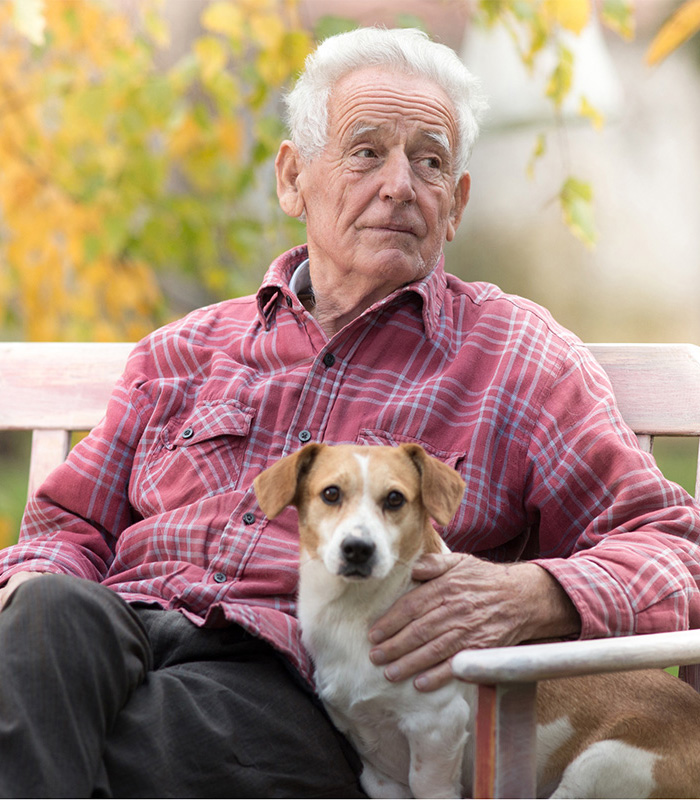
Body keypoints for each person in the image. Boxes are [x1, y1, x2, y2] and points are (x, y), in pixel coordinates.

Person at [1, 25, 699, 798]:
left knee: (125, 740)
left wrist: (534, 596)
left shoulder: (515, 358)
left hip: (289, 679)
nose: (400, 184)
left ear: (456, 203)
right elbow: (67, 529)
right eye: (366, 151)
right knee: (47, 614)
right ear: (293, 179)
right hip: (116, 636)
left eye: (429, 161)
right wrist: (36, 619)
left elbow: (675, 548)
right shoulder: (183, 350)